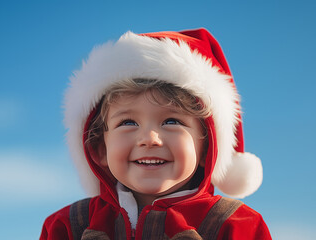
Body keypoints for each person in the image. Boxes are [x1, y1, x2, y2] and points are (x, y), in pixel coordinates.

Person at [40, 28, 271, 239]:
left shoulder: (237, 226)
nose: (149, 138)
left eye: (171, 121)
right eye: (128, 122)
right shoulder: (67, 227)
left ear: (206, 149)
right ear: (100, 148)